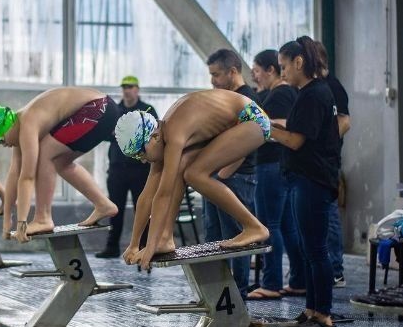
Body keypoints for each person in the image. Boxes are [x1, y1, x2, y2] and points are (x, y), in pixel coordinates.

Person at [114, 89, 271, 271]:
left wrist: (150, 246)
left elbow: (163, 194)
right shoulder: (159, 134)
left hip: (252, 120)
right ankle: (165, 238)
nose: (142, 159)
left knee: (194, 174)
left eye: (141, 153)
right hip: (234, 121)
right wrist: (134, 244)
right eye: (135, 157)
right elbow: (147, 196)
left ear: (154, 137)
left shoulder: (174, 135)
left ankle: (254, 227)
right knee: (182, 168)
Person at [0, 87, 121, 243]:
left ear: (7, 127)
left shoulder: (28, 123)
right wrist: (7, 219)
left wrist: (22, 223)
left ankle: (42, 218)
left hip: (99, 107)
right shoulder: (19, 126)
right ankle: (103, 205)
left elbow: (27, 177)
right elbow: (14, 174)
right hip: (104, 109)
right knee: (60, 162)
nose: (3, 145)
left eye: (1, 139)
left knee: (44, 154)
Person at [269, 36, 340, 327]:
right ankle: (311, 309)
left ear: (299, 63)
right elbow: (298, 130)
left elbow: (296, 140)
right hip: (307, 179)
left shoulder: (313, 95)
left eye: (284, 66)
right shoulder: (311, 93)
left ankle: (323, 314)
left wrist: (263, 128)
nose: (282, 72)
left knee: (316, 250)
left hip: (312, 181)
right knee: (311, 249)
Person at [245, 50, 305, 301]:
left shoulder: (279, 94)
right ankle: (299, 280)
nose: (255, 78)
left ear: (271, 70)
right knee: (288, 227)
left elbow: (271, 126)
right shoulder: (288, 93)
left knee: (269, 226)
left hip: (270, 165)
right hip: (282, 166)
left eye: (257, 71)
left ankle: (271, 282)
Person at [203, 49, 261, 299]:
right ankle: (217, 294)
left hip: (236, 178)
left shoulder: (246, 99)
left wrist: (224, 174)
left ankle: (237, 298)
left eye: (216, 75)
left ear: (233, 72)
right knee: (214, 236)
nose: (213, 81)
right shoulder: (228, 97)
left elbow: (249, 140)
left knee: (236, 238)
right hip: (218, 177)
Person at [96, 76, 158, 258]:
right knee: (115, 208)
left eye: (130, 87)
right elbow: (105, 134)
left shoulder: (146, 110)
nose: (127, 90)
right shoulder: (115, 111)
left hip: (140, 168)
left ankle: (145, 246)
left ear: (137, 89)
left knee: (144, 207)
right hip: (117, 168)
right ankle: (112, 246)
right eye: (124, 87)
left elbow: (155, 136)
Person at [315, 42, 351, 287]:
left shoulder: (333, 87)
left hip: (326, 160)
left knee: (329, 213)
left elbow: (345, 121)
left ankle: (336, 269)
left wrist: (324, 145)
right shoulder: (311, 88)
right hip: (313, 161)